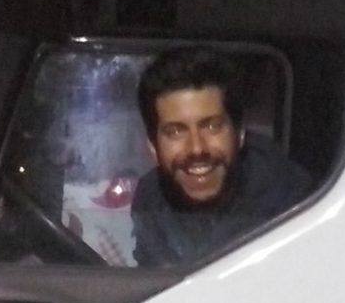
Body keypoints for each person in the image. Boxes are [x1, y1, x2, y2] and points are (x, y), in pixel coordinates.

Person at [130, 46, 311, 268]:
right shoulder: (150, 199)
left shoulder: (294, 203)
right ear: (152, 146)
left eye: (212, 126)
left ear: (240, 134)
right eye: (175, 132)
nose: (197, 148)